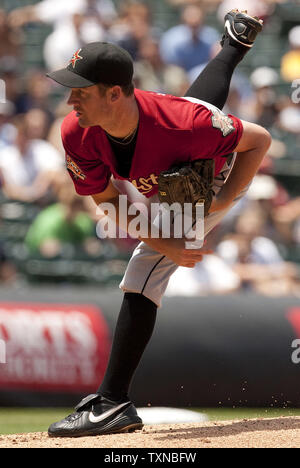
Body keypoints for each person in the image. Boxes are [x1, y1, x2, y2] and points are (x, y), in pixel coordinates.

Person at [46, 10, 269, 437]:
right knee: (194, 113)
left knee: (143, 272)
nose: (70, 100)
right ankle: (234, 46)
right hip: (169, 158)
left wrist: (225, 199)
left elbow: (259, 140)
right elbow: (106, 199)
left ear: (114, 94)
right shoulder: (77, 131)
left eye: (80, 91)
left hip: (208, 173)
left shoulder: (186, 126)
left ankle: (111, 402)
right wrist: (162, 240)